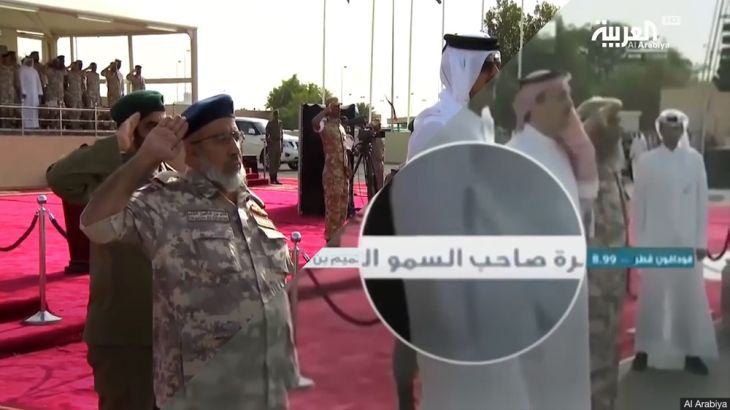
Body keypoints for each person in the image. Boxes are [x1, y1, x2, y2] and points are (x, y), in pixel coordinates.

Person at [79, 94, 299, 409]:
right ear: (192, 152)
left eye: (235, 136)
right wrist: (144, 159)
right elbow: (96, 223)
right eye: (221, 139)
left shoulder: (251, 205)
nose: (234, 147)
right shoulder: (167, 202)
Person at [369, 32, 502, 410]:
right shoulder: (434, 125)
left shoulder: (483, 125)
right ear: (464, 71)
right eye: (488, 71)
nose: (496, 79)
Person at [46, 90, 172, 410]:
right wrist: (116, 145)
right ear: (131, 130)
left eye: (164, 124)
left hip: (173, 331)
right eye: (152, 126)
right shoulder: (106, 182)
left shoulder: (172, 178)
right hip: (125, 334)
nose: (162, 132)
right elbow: (59, 177)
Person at [503, 69, 597, 409]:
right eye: (561, 96)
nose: (570, 104)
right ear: (536, 103)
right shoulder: (514, 157)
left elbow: (580, 211)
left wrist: (583, 149)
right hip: (534, 306)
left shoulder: (560, 153)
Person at [631, 109, 718, 375]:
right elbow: (639, 204)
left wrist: (701, 241)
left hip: (687, 241)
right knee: (652, 296)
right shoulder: (646, 161)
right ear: (660, 131)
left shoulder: (694, 160)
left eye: (677, 128)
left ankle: (691, 353)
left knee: (689, 297)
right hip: (654, 239)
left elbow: (701, 202)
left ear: (682, 130)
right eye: (668, 128)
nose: (673, 132)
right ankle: (643, 350)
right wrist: (638, 243)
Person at [577, 96, 628, 410]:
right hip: (588, 297)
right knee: (587, 366)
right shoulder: (577, 178)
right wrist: (592, 126)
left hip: (610, 294)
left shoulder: (610, 174)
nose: (617, 132)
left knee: (607, 362)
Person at [407, 32, 501, 160]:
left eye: (497, 63)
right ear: (460, 71)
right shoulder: (434, 128)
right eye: (487, 65)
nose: (496, 72)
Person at [311, 97, 350, 242]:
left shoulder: (340, 127)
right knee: (333, 210)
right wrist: (325, 111)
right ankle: (330, 240)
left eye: (339, 106)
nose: (339, 109)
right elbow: (314, 122)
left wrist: (348, 167)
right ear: (329, 108)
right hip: (332, 175)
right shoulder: (324, 124)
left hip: (343, 174)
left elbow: (344, 150)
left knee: (342, 210)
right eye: (336, 106)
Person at [18, 57, 43, 129]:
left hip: (35, 94)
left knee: (34, 109)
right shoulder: (22, 70)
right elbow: (21, 82)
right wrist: (23, 92)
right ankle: (26, 125)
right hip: (26, 95)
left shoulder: (34, 71)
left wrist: (40, 93)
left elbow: (38, 83)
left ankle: (35, 125)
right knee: (26, 109)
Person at [65, 60, 84, 129]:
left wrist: (82, 91)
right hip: (72, 94)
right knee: (73, 112)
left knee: (79, 112)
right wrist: (70, 66)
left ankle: (77, 127)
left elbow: (82, 84)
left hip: (79, 95)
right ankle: (74, 127)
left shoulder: (80, 74)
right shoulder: (69, 73)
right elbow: (63, 71)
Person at [265, 109, 284, 184]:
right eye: (275, 114)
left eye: (277, 114)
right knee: (272, 161)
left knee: (277, 161)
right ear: (274, 115)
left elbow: (282, 134)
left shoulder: (280, 123)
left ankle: (275, 177)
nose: (276, 116)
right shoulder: (270, 123)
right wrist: (269, 141)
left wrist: (282, 145)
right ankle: (272, 178)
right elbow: (267, 134)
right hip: (272, 142)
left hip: (278, 142)